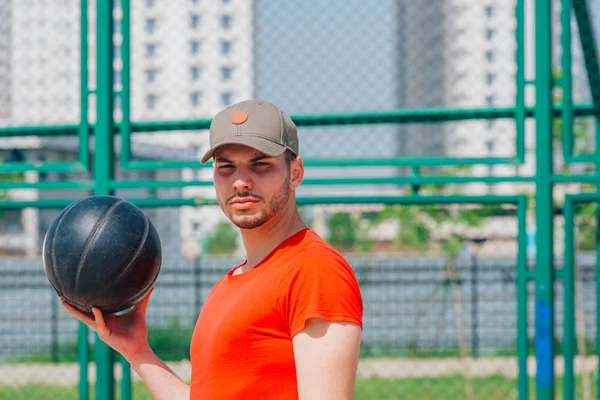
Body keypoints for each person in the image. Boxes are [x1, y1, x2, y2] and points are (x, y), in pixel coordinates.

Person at [62, 99, 364, 399]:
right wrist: (137, 352)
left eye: (260, 164)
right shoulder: (229, 284)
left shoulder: (314, 269)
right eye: (226, 167)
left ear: (295, 172)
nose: (240, 182)